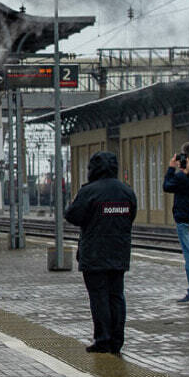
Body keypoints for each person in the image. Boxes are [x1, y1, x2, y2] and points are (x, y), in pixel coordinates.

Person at [64, 152, 137, 355]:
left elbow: (72, 215)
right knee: (117, 296)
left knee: (99, 297)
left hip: (94, 254)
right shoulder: (126, 192)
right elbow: (131, 216)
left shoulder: (90, 192)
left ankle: (103, 339)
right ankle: (117, 340)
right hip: (119, 253)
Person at [163, 142, 189, 303]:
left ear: (184, 157)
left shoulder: (180, 176)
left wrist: (170, 168)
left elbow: (166, 186)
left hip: (184, 219)